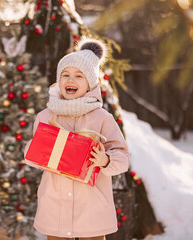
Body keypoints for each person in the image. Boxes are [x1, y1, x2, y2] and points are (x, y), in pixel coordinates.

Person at [24, 39, 130, 240]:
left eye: (78, 76)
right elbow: (31, 156)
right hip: (55, 206)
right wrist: (39, 148)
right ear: (58, 80)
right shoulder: (46, 116)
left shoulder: (102, 118)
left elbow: (123, 157)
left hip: (92, 207)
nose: (70, 80)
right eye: (65, 75)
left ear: (89, 83)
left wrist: (105, 160)